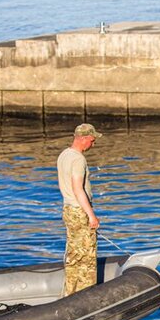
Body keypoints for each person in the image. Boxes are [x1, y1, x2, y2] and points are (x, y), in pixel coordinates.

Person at [57, 123, 102, 295]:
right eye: (92, 140)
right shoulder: (78, 159)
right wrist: (91, 216)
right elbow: (78, 188)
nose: (93, 144)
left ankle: (70, 292)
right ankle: (86, 295)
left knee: (74, 255)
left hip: (68, 209)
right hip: (79, 210)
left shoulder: (64, 155)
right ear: (83, 139)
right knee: (86, 258)